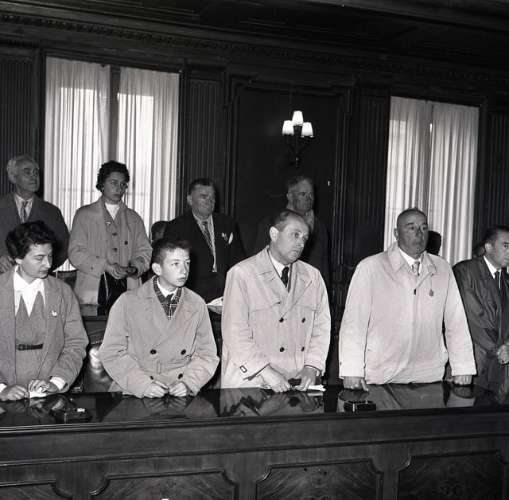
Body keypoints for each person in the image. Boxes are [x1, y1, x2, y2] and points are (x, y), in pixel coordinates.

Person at [338, 208, 476, 389]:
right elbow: (354, 324)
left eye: (424, 228)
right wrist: (351, 371)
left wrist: (463, 367)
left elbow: (456, 322)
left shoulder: (442, 269)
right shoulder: (371, 268)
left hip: (428, 376)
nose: (419, 234)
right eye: (411, 228)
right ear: (396, 233)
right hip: (380, 375)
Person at [221, 210, 330, 391]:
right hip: (252, 381)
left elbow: (322, 328)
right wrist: (266, 372)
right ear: (274, 234)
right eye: (295, 235)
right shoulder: (242, 273)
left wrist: (312, 366)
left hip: (297, 380)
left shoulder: (313, 277)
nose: (301, 243)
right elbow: (234, 333)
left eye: (305, 238)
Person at [99, 239, 219, 398]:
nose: (184, 270)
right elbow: (111, 352)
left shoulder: (197, 303)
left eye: (187, 263)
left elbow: (207, 354)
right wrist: (142, 385)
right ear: (157, 269)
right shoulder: (127, 302)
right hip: (134, 387)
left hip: (180, 388)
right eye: (175, 264)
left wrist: (189, 383)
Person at [0, 221, 88, 401]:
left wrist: (56, 382)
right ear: (18, 258)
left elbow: (76, 343)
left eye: (50, 256)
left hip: (48, 397)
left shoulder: (63, 292)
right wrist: (2, 389)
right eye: (39, 258)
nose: (48, 264)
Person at [68, 161, 152, 306]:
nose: (119, 188)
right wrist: (105, 266)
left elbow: (146, 252)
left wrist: (134, 268)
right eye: (113, 183)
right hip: (92, 295)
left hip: (129, 294)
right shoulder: (84, 215)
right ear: (102, 184)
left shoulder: (134, 218)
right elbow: (75, 253)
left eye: (123, 184)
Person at [163, 178, 244, 303]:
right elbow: (170, 267)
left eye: (213, 197)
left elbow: (238, 261)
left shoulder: (227, 224)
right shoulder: (176, 227)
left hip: (226, 295)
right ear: (190, 200)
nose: (210, 201)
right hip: (192, 297)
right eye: (204, 197)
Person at [454, 226, 509, 390]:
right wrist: (499, 349)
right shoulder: (465, 271)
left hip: (499, 366)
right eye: (505, 246)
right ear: (488, 247)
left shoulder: (505, 279)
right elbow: (473, 318)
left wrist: (507, 345)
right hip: (473, 362)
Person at [252, 175, 330, 288]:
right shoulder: (272, 222)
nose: (309, 198)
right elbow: (258, 260)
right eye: (303, 194)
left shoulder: (320, 228)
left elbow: (324, 267)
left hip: (311, 288)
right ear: (290, 196)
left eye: (311, 194)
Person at [0, 155, 69, 273]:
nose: (34, 177)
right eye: (27, 172)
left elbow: (63, 247)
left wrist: (43, 266)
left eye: (36, 173)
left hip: (38, 280)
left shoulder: (52, 212)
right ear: (13, 177)